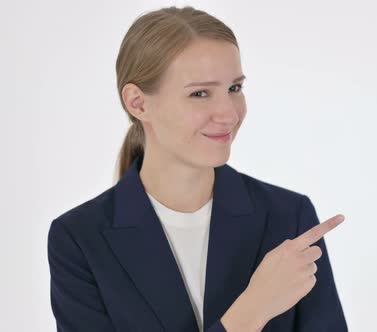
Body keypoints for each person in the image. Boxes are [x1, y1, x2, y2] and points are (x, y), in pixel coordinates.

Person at [47, 5, 348, 332]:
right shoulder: (80, 239)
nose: (228, 114)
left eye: (234, 88)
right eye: (200, 93)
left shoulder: (288, 217)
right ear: (138, 103)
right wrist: (250, 312)